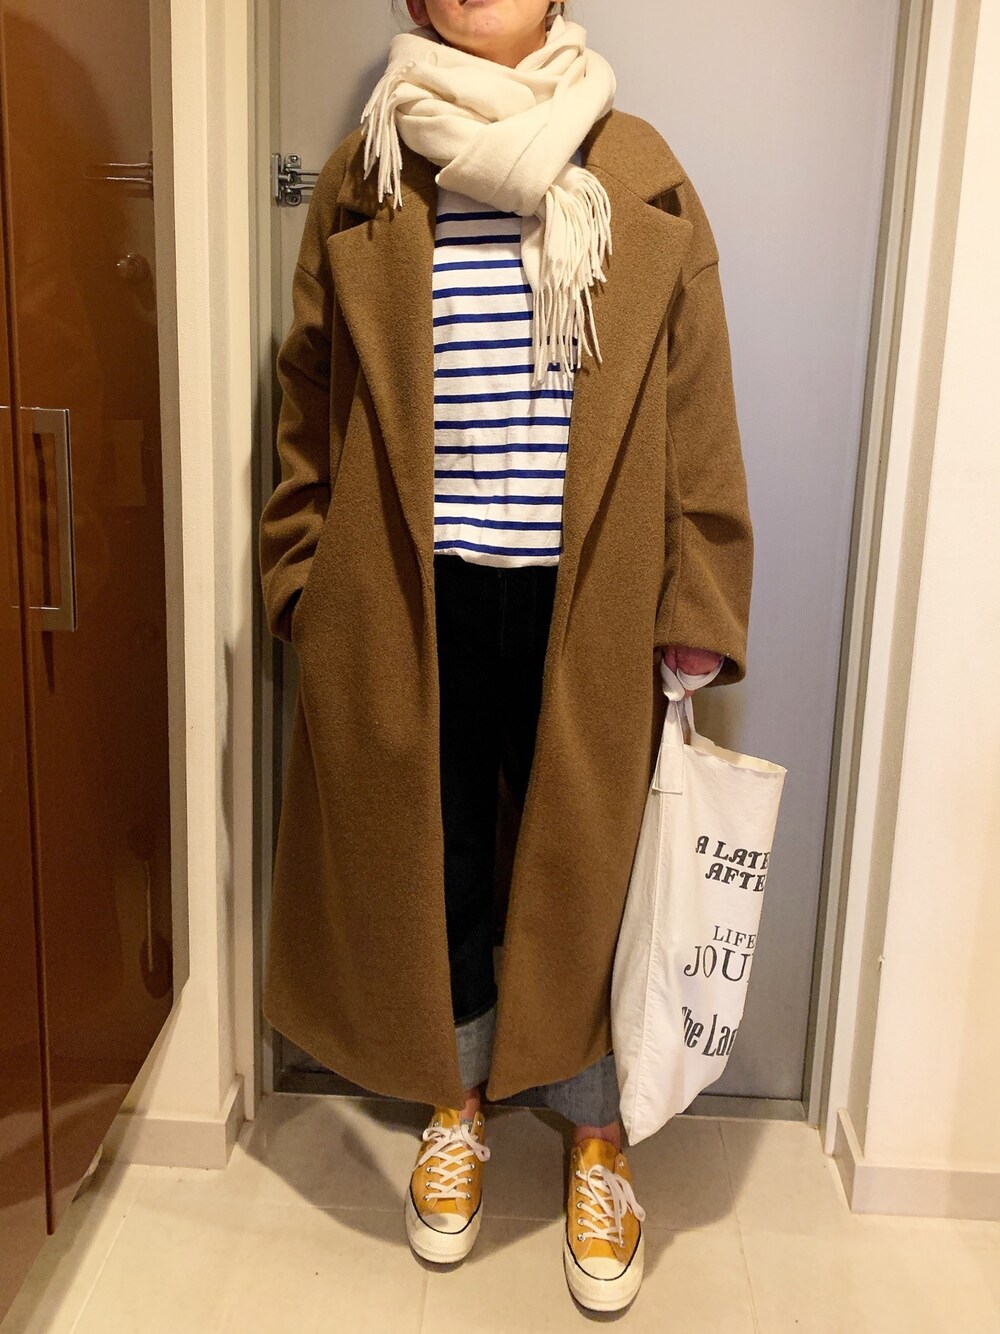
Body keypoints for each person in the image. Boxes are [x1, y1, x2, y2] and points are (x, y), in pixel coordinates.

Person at [259, 0, 753, 1313]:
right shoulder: (372, 172)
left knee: (586, 866)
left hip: (592, 599)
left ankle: (596, 1133)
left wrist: (701, 598)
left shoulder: (638, 168)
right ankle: (458, 1095)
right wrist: (303, 581)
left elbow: (699, 406)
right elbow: (307, 394)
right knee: (446, 861)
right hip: (411, 595)